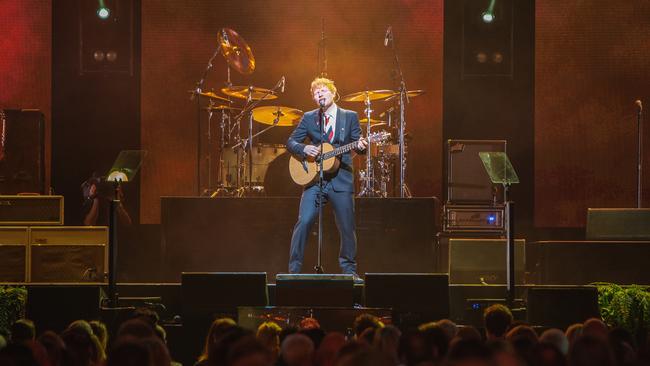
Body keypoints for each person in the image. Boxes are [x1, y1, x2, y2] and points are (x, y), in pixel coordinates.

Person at [286, 77, 367, 282]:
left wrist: (361, 146)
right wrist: (304, 148)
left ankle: (349, 271)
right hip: (315, 180)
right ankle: (293, 271)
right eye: (315, 93)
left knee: (347, 226)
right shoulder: (309, 117)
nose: (319, 94)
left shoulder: (350, 117)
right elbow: (291, 141)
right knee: (303, 222)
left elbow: (358, 144)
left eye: (323, 90)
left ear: (333, 92)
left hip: (341, 179)